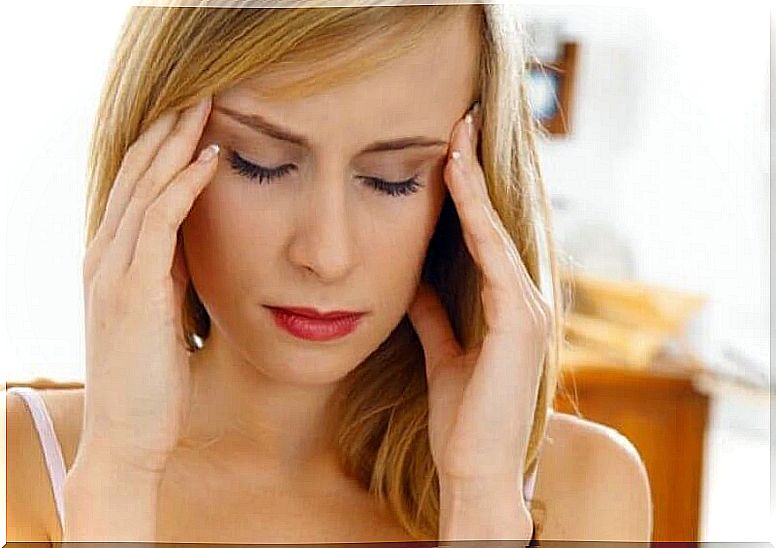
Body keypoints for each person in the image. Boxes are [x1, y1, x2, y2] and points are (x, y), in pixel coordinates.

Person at [6, 1, 652, 543]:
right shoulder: (24, 463)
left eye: (393, 179)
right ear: (152, 160)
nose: (327, 253)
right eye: (259, 164)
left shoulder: (581, 486)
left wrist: (480, 500)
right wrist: (120, 469)